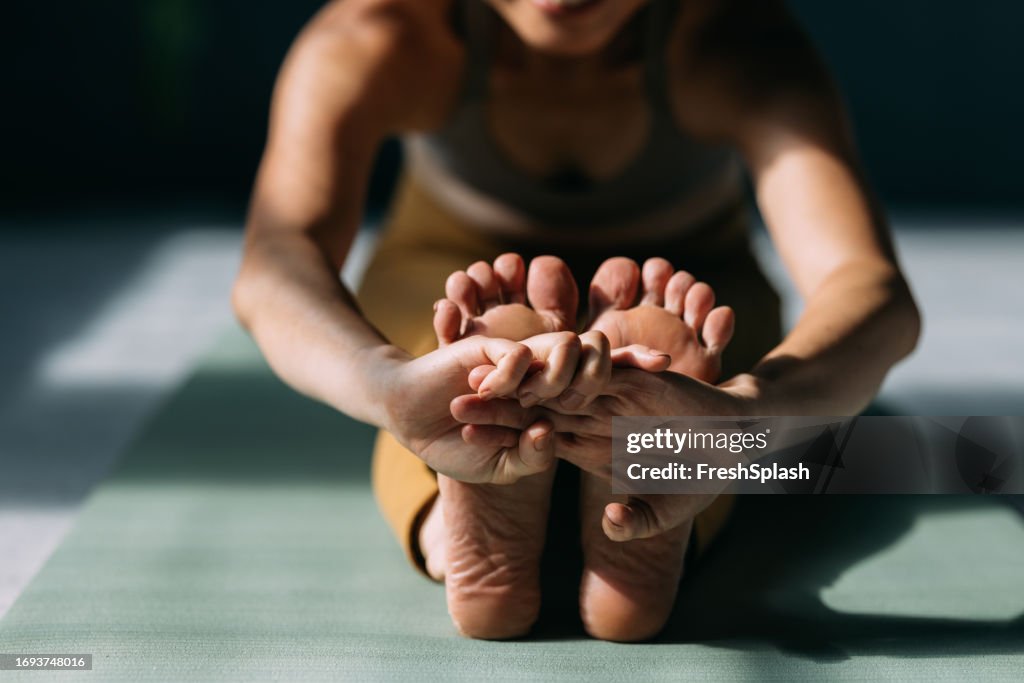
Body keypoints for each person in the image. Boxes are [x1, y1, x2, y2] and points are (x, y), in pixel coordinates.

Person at [231, 0, 921, 642]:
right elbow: (276, 264)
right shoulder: (379, 32)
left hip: (689, 280)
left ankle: (477, 492)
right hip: (459, 265)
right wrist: (384, 382)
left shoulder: (732, 43)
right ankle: (629, 521)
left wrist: (744, 415)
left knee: (697, 384)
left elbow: (869, 290)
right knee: (438, 356)